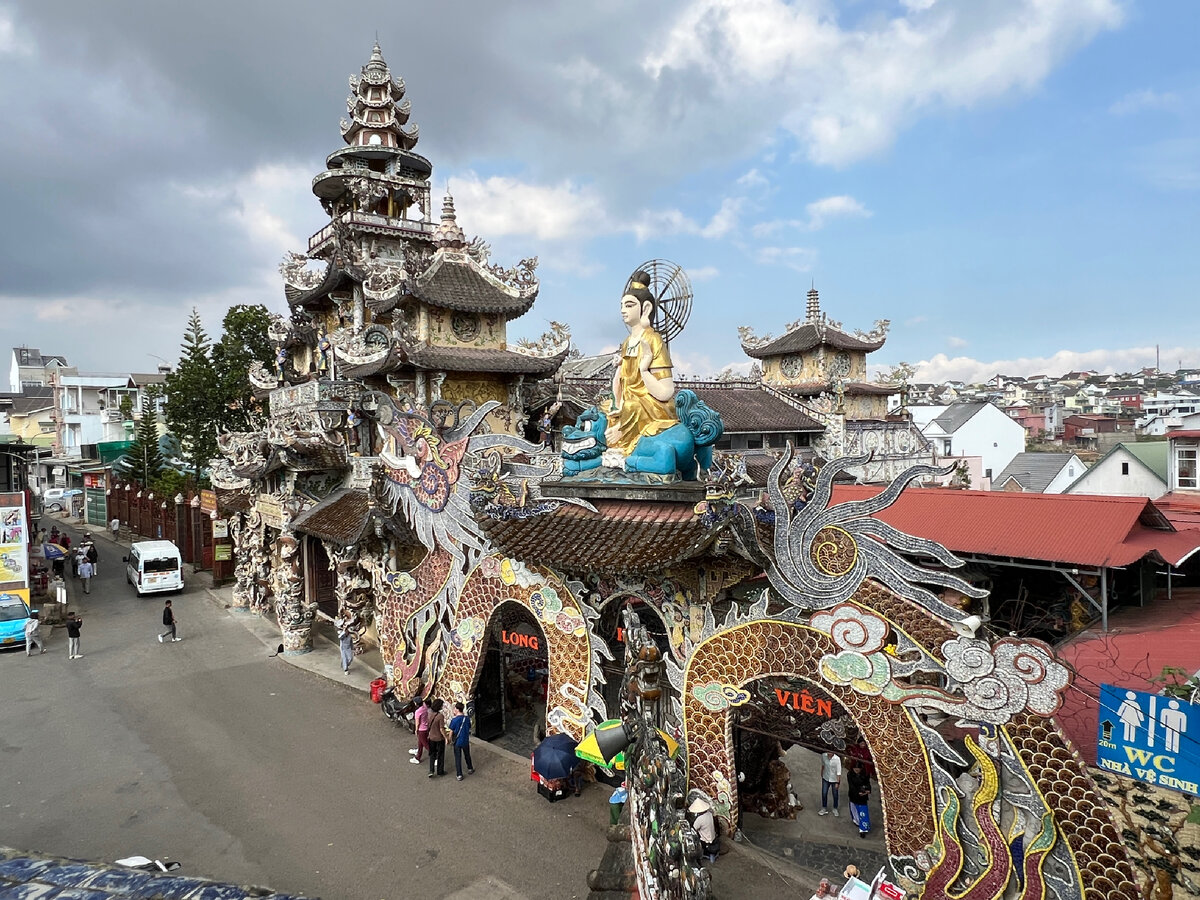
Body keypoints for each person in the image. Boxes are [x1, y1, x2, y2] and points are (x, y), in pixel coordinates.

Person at [601, 270, 678, 457]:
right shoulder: (628, 342)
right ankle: (619, 435)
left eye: (629, 305)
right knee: (606, 407)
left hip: (650, 406)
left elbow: (666, 391)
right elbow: (622, 384)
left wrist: (644, 369)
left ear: (646, 309)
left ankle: (624, 436)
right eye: (622, 306)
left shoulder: (653, 340)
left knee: (632, 407)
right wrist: (620, 367)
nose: (623, 310)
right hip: (628, 402)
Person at [687, 797, 720, 863]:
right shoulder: (710, 814)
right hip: (713, 837)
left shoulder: (700, 819)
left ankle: (701, 854)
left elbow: (694, 829)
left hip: (706, 841)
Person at [448, 701, 474, 780]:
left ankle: (459, 774)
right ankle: (470, 768)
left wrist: (449, 740)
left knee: (458, 758)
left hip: (457, 741)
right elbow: (469, 727)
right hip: (465, 740)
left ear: (457, 709)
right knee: (467, 755)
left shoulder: (454, 720)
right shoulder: (466, 719)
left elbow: (451, 732)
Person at [846, 759, 871, 838]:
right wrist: (858, 792)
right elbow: (851, 786)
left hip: (862, 798)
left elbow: (868, 784)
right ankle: (857, 822)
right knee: (855, 812)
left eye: (858, 769)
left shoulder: (865, 775)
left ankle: (863, 830)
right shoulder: (850, 774)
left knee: (863, 813)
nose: (856, 770)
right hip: (853, 796)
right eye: (855, 768)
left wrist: (867, 790)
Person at [426, 698, 447, 778]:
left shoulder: (429, 714)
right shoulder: (440, 716)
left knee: (432, 754)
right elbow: (441, 728)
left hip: (431, 738)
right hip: (439, 739)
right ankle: (440, 771)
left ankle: (431, 770)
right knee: (440, 755)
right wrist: (446, 737)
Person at [818, 751, 841, 817]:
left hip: (834, 779)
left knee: (835, 794)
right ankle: (824, 808)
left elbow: (839, 772)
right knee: (824, 793)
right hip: (826, 777)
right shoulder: (823, 755)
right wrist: (822, 772)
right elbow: (823, 764)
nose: (829, 753)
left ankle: (835, 808)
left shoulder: (837, 759)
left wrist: (837, 782)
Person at [409, 697, 431, 764]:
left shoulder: (417, 712)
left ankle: (434, 755)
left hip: (421, 730)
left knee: (425, 744)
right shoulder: (424, 707)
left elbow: (417, 723)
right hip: (426, 728)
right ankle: (418, 754)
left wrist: (416, 730)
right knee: (420, 743)